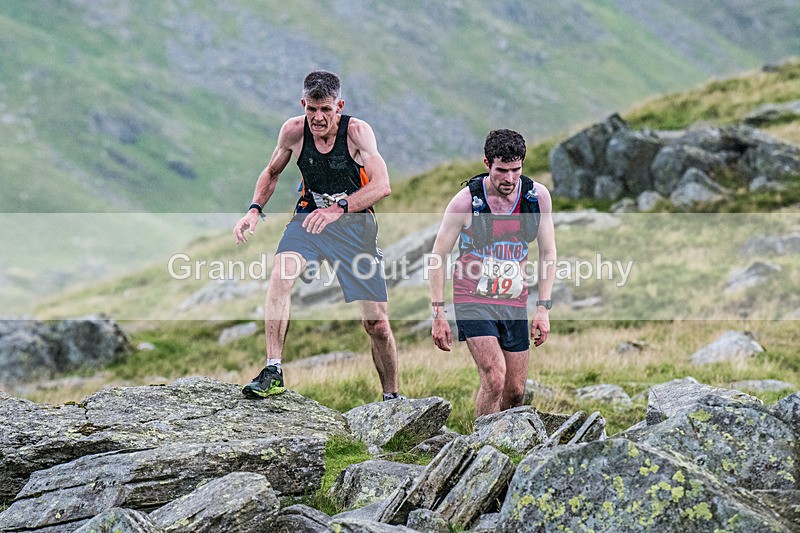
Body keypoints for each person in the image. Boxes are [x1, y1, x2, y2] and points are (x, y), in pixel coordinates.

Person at [233, 70, 401, 401]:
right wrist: (254, 210)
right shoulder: (293, 132)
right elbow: (271, 172)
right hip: (309, 220)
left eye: (326, 109)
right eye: (312, 109)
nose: (318, 118)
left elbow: (382, 185)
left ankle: (392, 398)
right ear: (303, 105)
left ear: (339, 105)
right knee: (281, 274)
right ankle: (273, 370)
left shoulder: (357, 133)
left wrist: (339, 208)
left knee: (377, 324)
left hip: (355, 227)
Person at [428, 129, 556, 417]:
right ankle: (480, 449)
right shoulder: (465, 202)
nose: (509, 179)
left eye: (515, 170)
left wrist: (543, 308)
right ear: (487, 164)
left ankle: (503, 444)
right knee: (495, 379)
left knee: (515, 391)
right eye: (501, 170)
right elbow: (438, 256)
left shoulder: (537, 198)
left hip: (513, 300)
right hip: (472, 299)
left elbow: (548, 252)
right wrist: (438, 313)